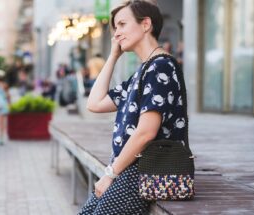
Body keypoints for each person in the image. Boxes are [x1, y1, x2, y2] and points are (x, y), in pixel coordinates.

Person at [79, 1, 188, 214]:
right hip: (130, 169)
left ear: (145, 24)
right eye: (115, 27)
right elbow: (95, 104)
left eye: (122, 24)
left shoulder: (161, 67)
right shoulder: (144, 71)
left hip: (146, 169)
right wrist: (113, 56)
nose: (116, 33)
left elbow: (146, 132)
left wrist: (110, 174)